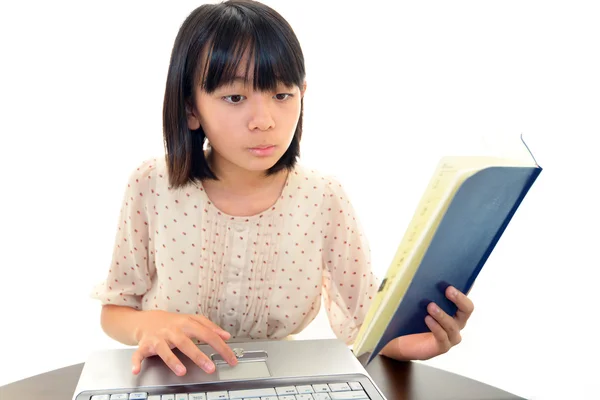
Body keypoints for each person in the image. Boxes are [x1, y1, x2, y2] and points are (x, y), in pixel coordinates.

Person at [92, 0, 474, 377]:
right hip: (172, 379)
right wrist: (150, 325)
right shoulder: (152, 185)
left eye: (281, 95)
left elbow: (364, 322)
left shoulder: (323, 196)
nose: (264, 121)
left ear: (302, 93)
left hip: (281, 380)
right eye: (235, 97)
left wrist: (413, 342)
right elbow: (115, 309)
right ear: (191, 109)